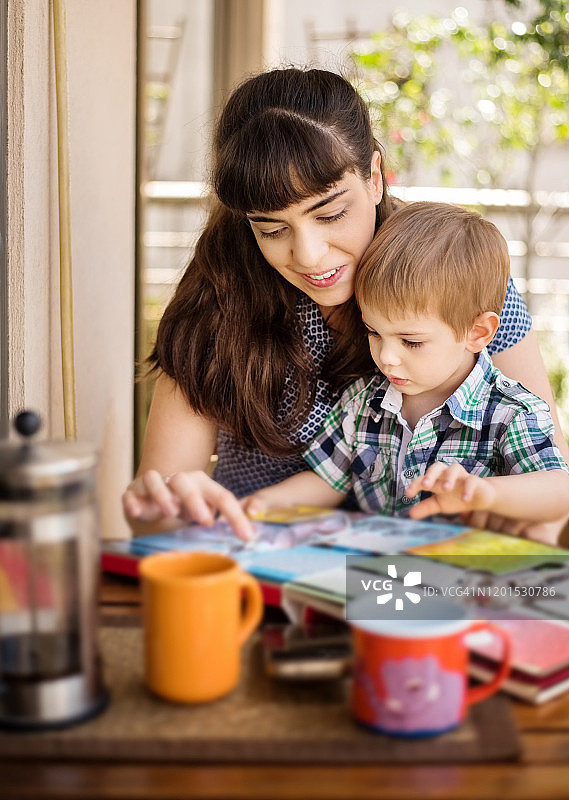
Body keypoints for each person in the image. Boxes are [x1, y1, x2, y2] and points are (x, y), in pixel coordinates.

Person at [122, 67, 569, 541]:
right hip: (264, 576)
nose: (309, 255)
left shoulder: (458, 285)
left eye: (331, 214)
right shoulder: (218, 304)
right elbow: (162, 514)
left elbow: (551, 496)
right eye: (272, 229)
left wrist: (501, 510)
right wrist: (163, 506)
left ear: (374, 177)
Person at [241, 202, 569, 525]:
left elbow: (559, 491)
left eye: (411, 341)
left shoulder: (509, 412)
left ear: (477, 333)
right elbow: (327, 481)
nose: (386, 357)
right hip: (376, 572)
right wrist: (265, 504)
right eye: (373, 332)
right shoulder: (362, 403)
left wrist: (488, 493)